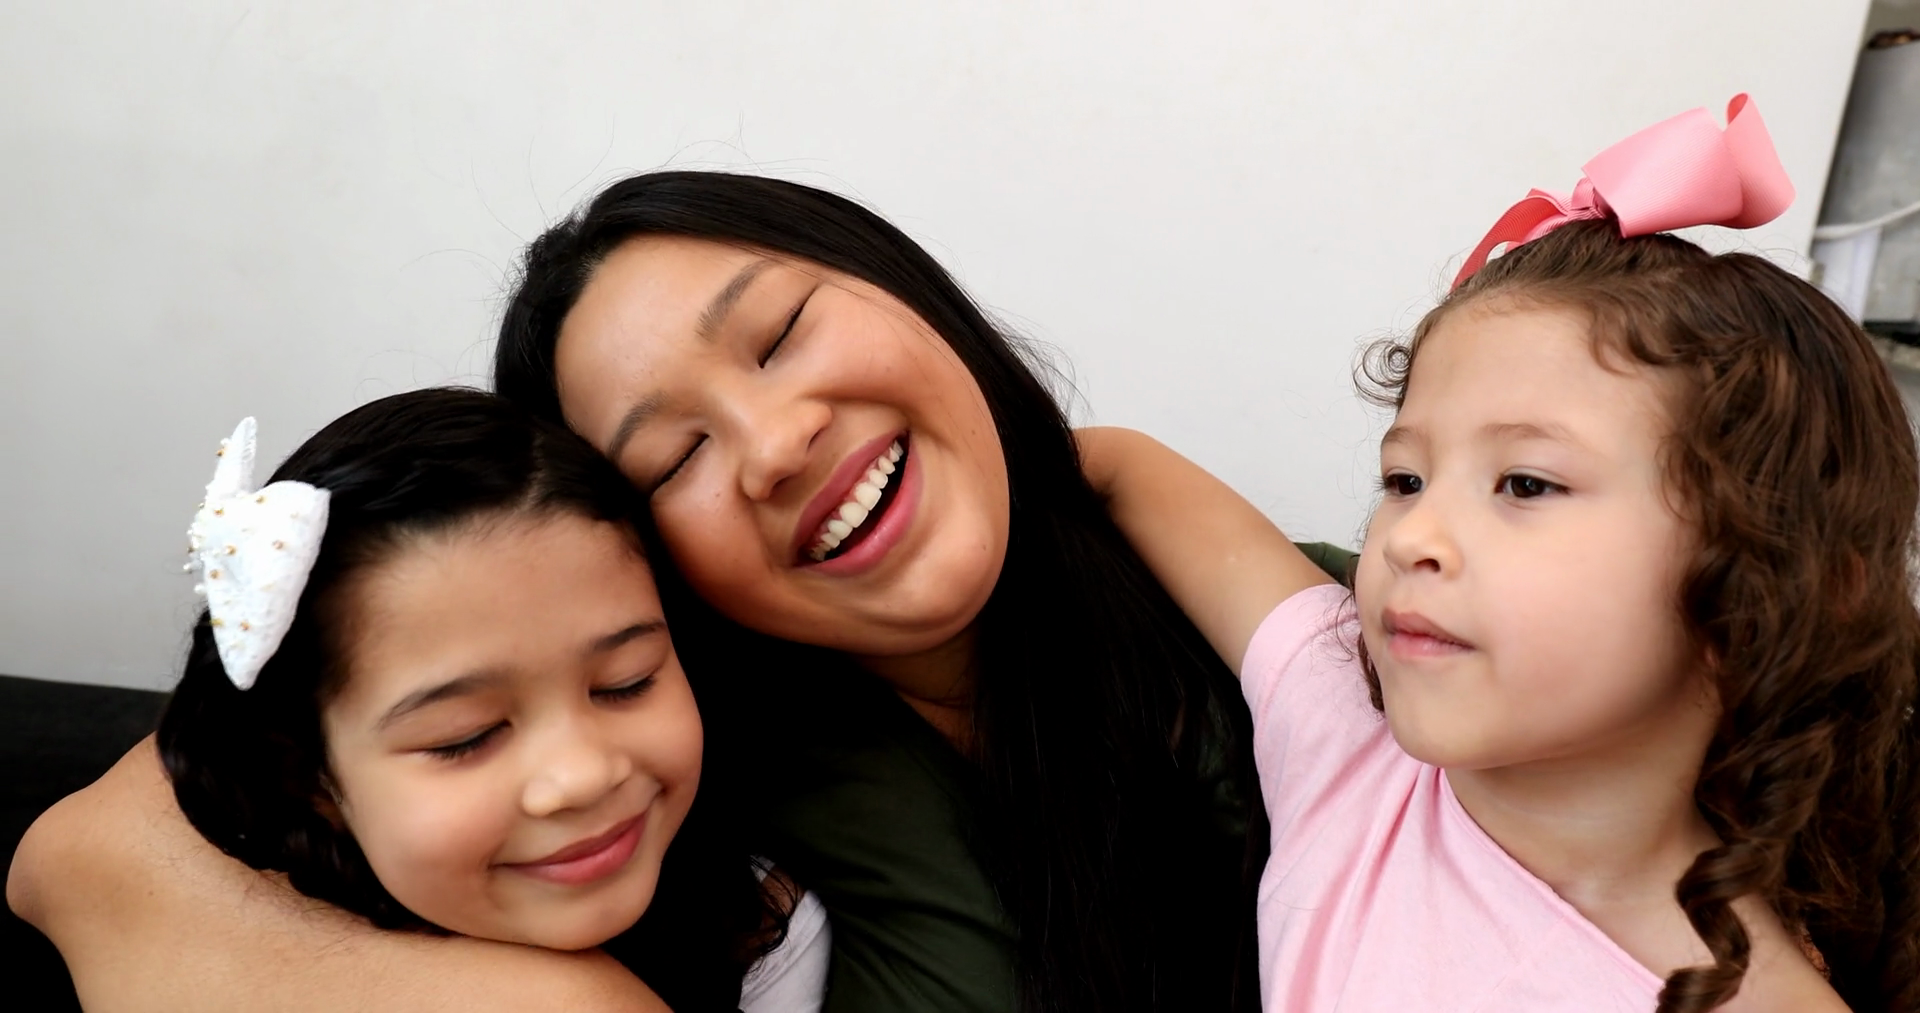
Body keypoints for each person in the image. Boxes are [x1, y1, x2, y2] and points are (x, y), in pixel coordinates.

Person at [10, 172, 1355, 1012]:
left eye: (781, 334)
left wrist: (1124, 469)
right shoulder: (664, 772)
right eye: (674, 457)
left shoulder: (1299, 619)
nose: (775, 446)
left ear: (906, 288)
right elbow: (94, 848)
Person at [1078, 98, 1918, 1011]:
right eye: (1404, 479)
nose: (1412, 536)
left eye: (1524, 484)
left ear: (1769, 589)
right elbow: (1123, 465)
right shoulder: (1345, 738)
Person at [153, 388, 826, 1013]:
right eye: (466, 736)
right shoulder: (203, 932)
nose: (582, 775)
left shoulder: (769, 931)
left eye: (626, 682)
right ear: (308, 776)